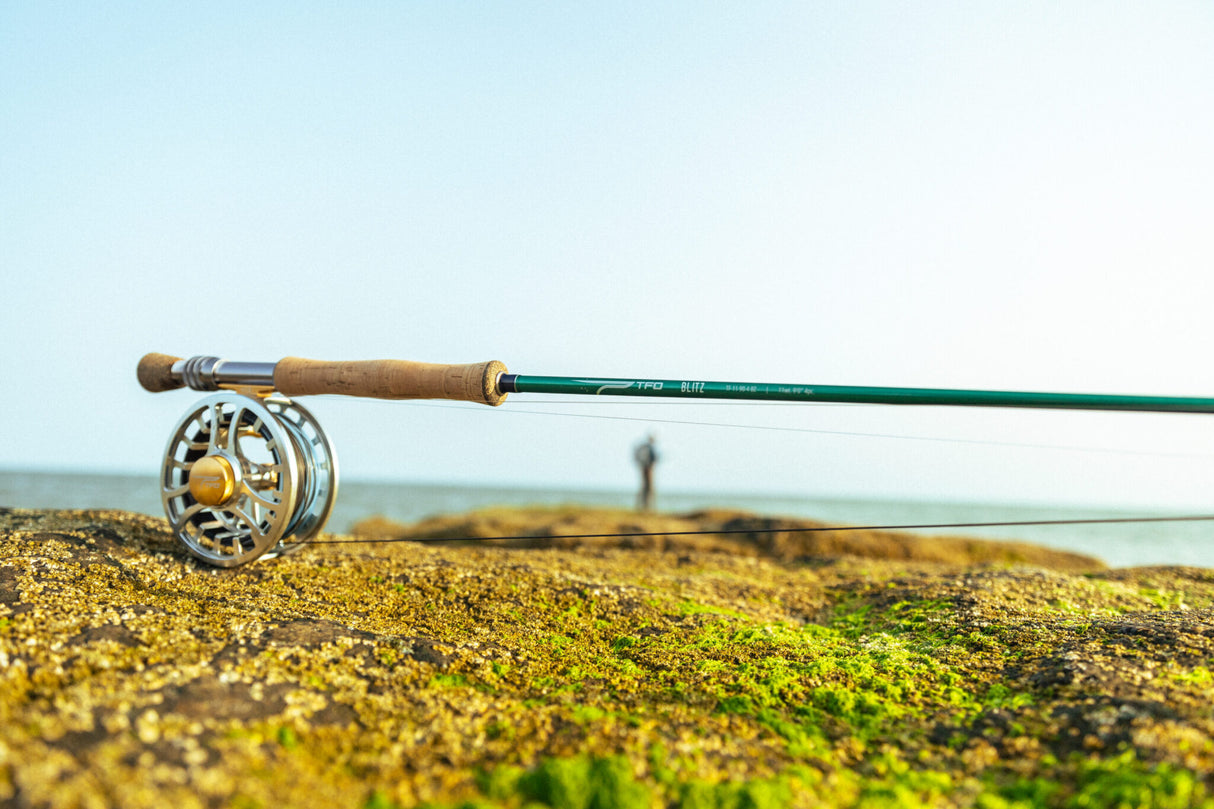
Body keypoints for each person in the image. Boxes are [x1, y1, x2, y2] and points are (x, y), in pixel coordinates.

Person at [633, 434, 658, 511]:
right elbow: (653, 459)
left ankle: (642, 505)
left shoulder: (644, 448)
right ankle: (648, 506)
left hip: (643, 468)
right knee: (649, 488)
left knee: (644, 487)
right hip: (648, 469)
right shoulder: (649, 448)